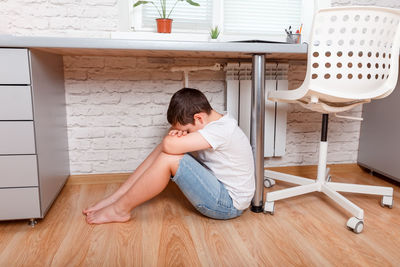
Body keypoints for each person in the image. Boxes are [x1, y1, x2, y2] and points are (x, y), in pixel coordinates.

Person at [83, 88, 255, 224]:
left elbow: (169, 146)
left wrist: (172, 139)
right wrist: (176, 136)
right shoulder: (214, 121)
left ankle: (119, 210)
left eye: (186, 130)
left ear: (199, 118)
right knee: (166, 148)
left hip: (227, 205)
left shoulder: (221, 130)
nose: (184, 134)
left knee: (169, 156)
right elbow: (167, 144)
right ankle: (117, 197)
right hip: (218, 190)